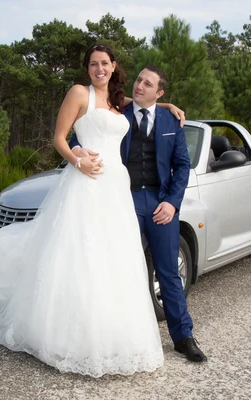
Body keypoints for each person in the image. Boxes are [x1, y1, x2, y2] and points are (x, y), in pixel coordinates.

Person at [0, 44, 169, 377]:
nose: (99, 69)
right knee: (78, 255)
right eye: (93, 64)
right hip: (85, 182)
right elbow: (59, 138)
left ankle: (110, 332)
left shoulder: (116, 98)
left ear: (114, 66)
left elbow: (142, 104)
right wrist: (77, 160)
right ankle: (65, 334)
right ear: (87, 68)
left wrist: (166, 104)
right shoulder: (80, 93)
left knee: (113, 259)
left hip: (114, 188)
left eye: (105, 64)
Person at [70, 64, 207, 362]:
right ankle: (116, 336)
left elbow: (182, 165)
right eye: (139, 80)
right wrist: (78, 149)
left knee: (168, 270)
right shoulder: (118, 111)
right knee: (120, 268)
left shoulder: (172, 119)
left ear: (159, 93)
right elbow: (81, 132)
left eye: (148, 84)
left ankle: (183, 337)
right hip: (123, 198)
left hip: (160, 201)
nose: (139, 86)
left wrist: (172, 202)